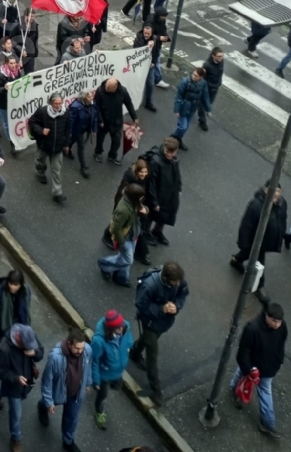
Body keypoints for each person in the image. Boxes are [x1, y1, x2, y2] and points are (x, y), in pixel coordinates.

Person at [130, 261, 188, 406]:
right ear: (167, 279)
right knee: (152, 354)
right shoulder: (149, 285)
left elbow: (183, 293)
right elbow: (141, 305)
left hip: (163, 322)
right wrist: (162, 309)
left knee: (150, 339)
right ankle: (155, 388)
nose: (178, 283)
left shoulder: (179, 280)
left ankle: (134, 352)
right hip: (150, 321)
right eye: (175, 282)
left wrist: (177, 306)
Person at [230, 303, 287, 439]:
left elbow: (281, 345)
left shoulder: (281, 326)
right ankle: (267, 423)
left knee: (242, 374)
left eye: (279, 321)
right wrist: (249, 368)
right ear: (266, 316)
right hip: (256, 366)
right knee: (264, 390)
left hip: (267, 367)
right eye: (274, 321)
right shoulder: (252, 329)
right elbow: (243, 352)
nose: (277, 325)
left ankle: (233, 389)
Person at [0, 324, 44, 452]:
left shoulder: (29, 335)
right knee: (16, 414)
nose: (30, 347)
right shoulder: (5, 349)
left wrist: (34, 353)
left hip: (26, 381)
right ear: (19, 340)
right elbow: (0, 371)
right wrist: (16, 378)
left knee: (3, 391)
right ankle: (16, 438)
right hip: (14, 386)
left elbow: (40, 351)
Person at [39, 325, 91, 450]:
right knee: (48, 402)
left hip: (76, 393)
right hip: (59, 391)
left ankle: (68, 441)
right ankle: (42, 406)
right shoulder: (55, 357)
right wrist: (49, 401)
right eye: (77, 348)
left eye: (82, 348)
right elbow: (47, 381)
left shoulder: (87, 350)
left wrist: (88, 382)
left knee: (72, 418)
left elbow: (89, 367)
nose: (80, 351)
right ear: (69, 344)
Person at [231, 182, 287, 295]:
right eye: (273, 191)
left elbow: (282, 219)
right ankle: (259, 287)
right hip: (256, 241)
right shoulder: (256, 206)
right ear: (266, 190)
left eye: (278, 192)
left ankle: (236, 260)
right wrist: (244, 243)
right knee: (260, 262)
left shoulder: (282, 203)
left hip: (266, 240)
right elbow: (246, 226)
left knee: (248, 253)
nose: (276, 194)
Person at [90, 311, 132, 430]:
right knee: (103, 395)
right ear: (110, 330)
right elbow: (94, 361)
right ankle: (99, 412)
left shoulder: (125, 327)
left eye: (122, 326)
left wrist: (129, 346)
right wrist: (96, 380)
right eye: (118, 328)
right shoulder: (99, 342)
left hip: (118, 371)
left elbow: (128, 339)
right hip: (105, 375)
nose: (121, 329)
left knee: (117, 387)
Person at [98, 183, 147, 286]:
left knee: (125, 258)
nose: (143, 198)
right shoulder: (124, 210)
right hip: (127, 238)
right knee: (128, 260)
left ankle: (121, 277)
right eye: (141, 196)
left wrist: (145, 210)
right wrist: (122, 242)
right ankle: (104, 264)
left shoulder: (133, 201)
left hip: (133, 236)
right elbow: (116, 228)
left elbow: (144, 208)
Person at [29, 94, 70, 204]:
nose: (58, 106)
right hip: (44, 145)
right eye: (55, 104)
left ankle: (57, 193)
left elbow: (67, 128)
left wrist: (66, 144)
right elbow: (32, 122)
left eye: (59, 103)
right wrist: (41, 131)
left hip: (58, 147)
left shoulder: (66, 112)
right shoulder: (42, 112)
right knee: (40, 161)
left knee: (57, 170)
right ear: (50, 103)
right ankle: (40, 171)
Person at [141, 137, 181, 247]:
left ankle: (157, 230)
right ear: (164, 148)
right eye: (167, 151)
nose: (169, 155)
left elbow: (176, 174)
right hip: (158, 194)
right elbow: (151, 183)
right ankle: (145, 232)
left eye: (172, 152)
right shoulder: (155, 161)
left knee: (167, 214)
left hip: (170, 193)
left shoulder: (174, 159)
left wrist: (178, 188)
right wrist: (154, 202)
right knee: (151, 215)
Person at [94, 78, 138, 165]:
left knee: (117, 140)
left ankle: (112, 155)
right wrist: (100, 120)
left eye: (108, 88)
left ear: (115, 87)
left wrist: (134, 117)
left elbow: (129, 104)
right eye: (106, 86)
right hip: (104, 121)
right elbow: (96, 107)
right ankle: (98, 152)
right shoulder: (100, 91)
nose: (106, 89)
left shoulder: (123, 91)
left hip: (116, 121)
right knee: (100, 138)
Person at [172, 67, 212, 150]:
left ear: (201, 77)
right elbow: (178, 97)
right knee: (183, 126)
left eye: (196, 76)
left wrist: (208, 109)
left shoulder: (203, 83)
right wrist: (177, 109)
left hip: (193, 108)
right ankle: (173, 138)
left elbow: (205, 96)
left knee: (185, 127)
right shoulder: (185, 82)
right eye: (193, 74)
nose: (193, 76)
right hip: (184, 107)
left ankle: (177, 140)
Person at [66, 88, 97, 180]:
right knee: (81, 147)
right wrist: (69, 132)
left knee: (72, 141)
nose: (92, 97)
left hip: (85, 129)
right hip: (77, 130)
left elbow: (94, 117)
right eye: (89, 96)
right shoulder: (75, 107)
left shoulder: (92, 104)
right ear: (83, 98)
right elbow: (70, 121)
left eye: (92, 95)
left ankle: (67, 148)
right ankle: (83, 167)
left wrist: (94, 129)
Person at [199, 46, 223, 130]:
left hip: (215, 87)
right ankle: (202, 121)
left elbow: (220, 73)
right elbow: (202, 76)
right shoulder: (207, 65)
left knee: (209, 102)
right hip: (207, 88)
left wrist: (219, 83)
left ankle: (205, 109)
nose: (221, 58)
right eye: (219, 56)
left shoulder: (221, 62)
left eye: (221, 56)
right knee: (202, 104)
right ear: (213, 56)